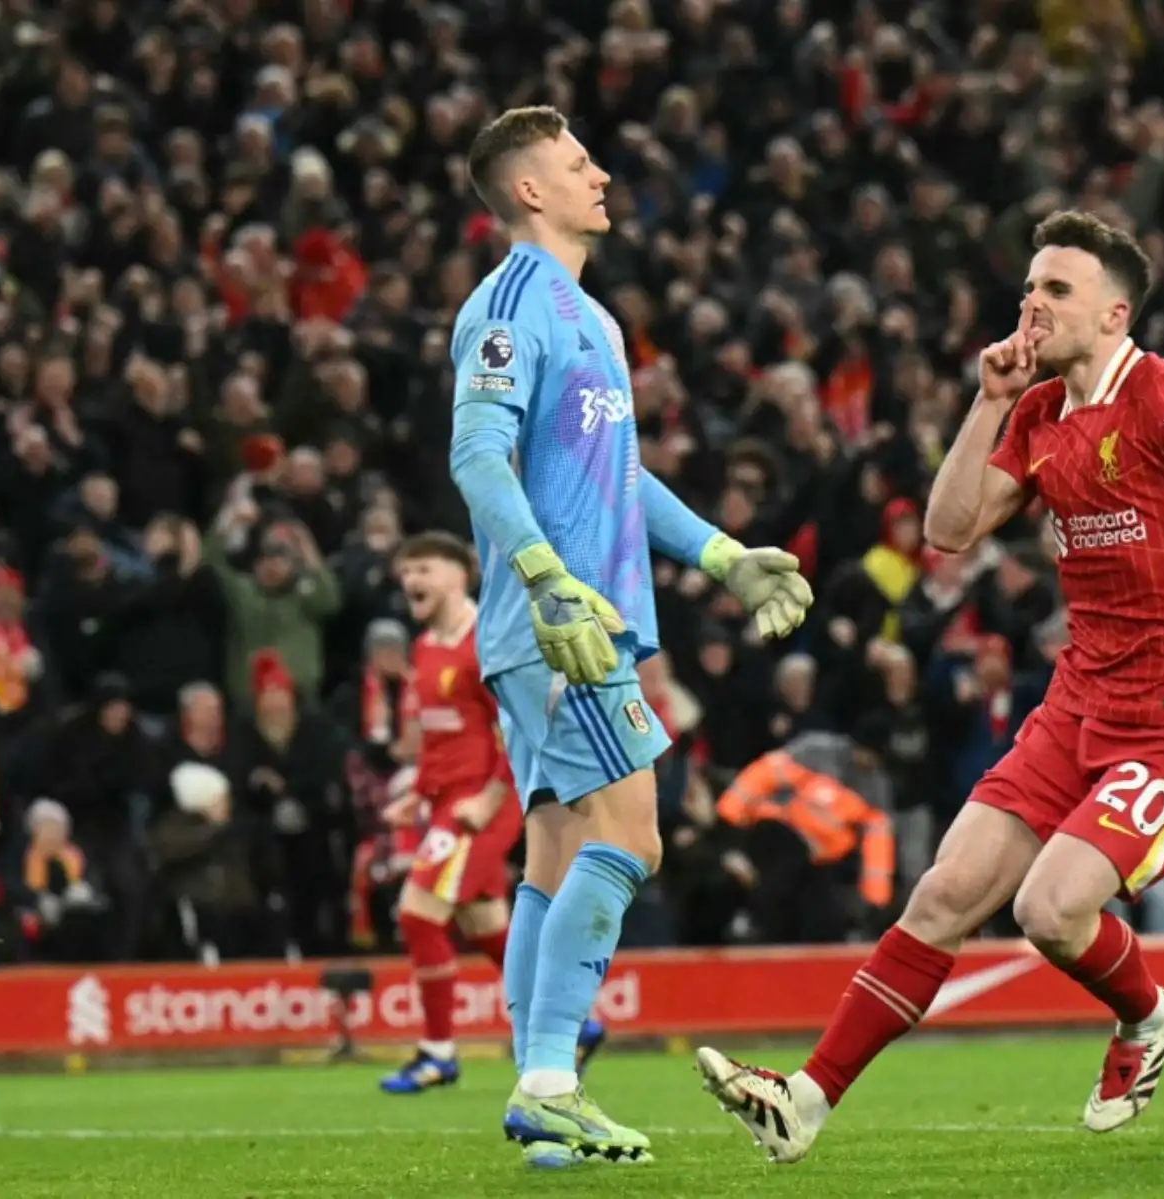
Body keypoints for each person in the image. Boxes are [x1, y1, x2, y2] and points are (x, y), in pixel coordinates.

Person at [696, 212, 1164, 1160]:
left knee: (1050, 910)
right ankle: (805, 1100)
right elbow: (948, 529)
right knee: (944, 892)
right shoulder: (1040, 414)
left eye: (1058, 289)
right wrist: (987, 402)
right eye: (1029, 287)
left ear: (1115, 312)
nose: (1033, 304)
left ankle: (1148, 1013)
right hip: (1074, 704)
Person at [447, 106, 814, 1168]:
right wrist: (547, 577)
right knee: (634, 836)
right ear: (529, 191)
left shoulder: (594, 319)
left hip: (571, 624)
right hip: (562, 627)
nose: (600, 174)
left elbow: (621, 475)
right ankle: (549, 1081)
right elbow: (477, 456)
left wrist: (722, 556)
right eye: (577, 163)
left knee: (558, 852)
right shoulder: (511, 305)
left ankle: (541, 1097)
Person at [376, 531, 525, 1094]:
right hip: (447, 803)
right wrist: (418, 793)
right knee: (487, 929)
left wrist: (490, 798)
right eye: (406, 571)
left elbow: (516, 727)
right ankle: (575, 1025)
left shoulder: (488, 640)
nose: (411, 580)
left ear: (460, 575)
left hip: (484, 803)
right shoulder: (424, 647)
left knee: (417, 915)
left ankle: (438, 1052)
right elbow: (440, 738)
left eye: (424, 569)